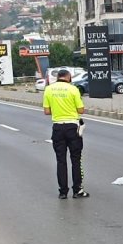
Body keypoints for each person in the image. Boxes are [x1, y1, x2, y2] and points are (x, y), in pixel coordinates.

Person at [43, 68, 88, 199]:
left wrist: (58, 111)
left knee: (60, 161)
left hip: (57, 128)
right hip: (72, 128)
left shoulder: (49, 89)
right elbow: (81, 110)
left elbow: (46, 111)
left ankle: (63, 192)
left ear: (58, 77)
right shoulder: (73, 89)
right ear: (68, 77)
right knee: (76, 160)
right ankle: (77, 190)